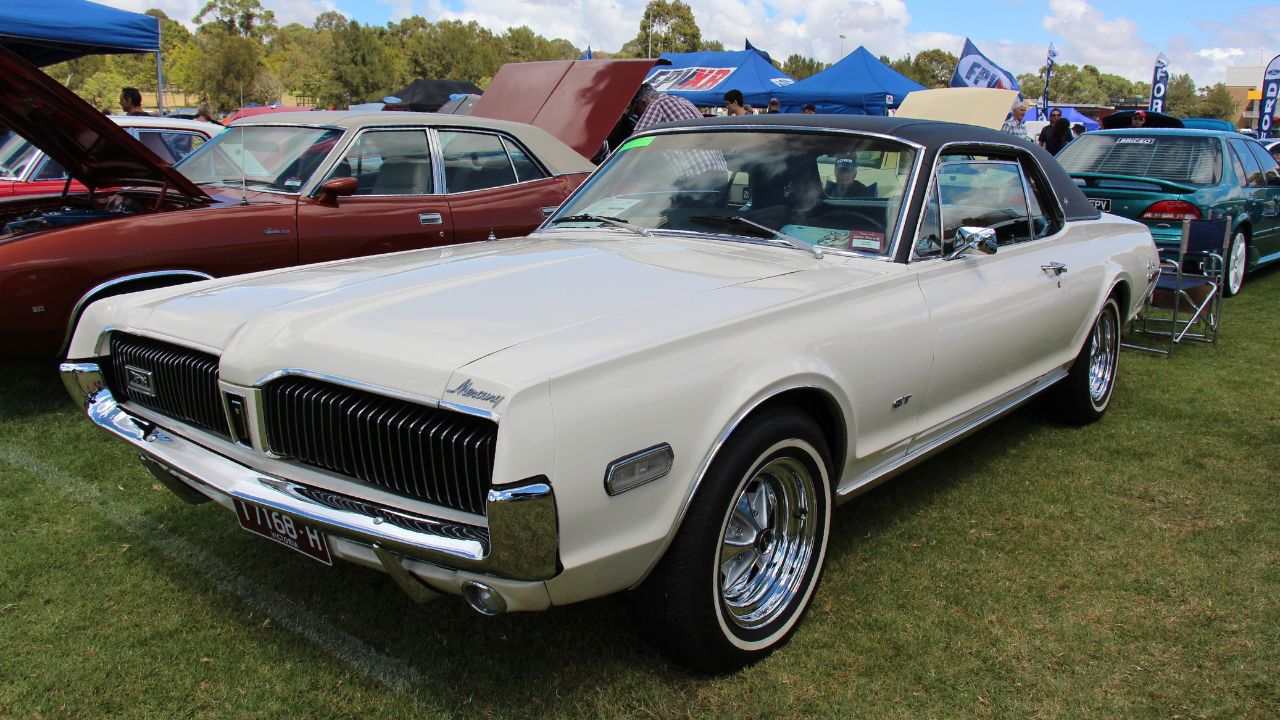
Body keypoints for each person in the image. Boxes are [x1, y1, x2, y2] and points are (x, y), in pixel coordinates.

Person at [630, 83, 703, 134]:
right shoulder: (682, 100)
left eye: (638, 113)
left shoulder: (658, 103)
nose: (640, 118)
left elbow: (637, 137)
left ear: (643, 103)